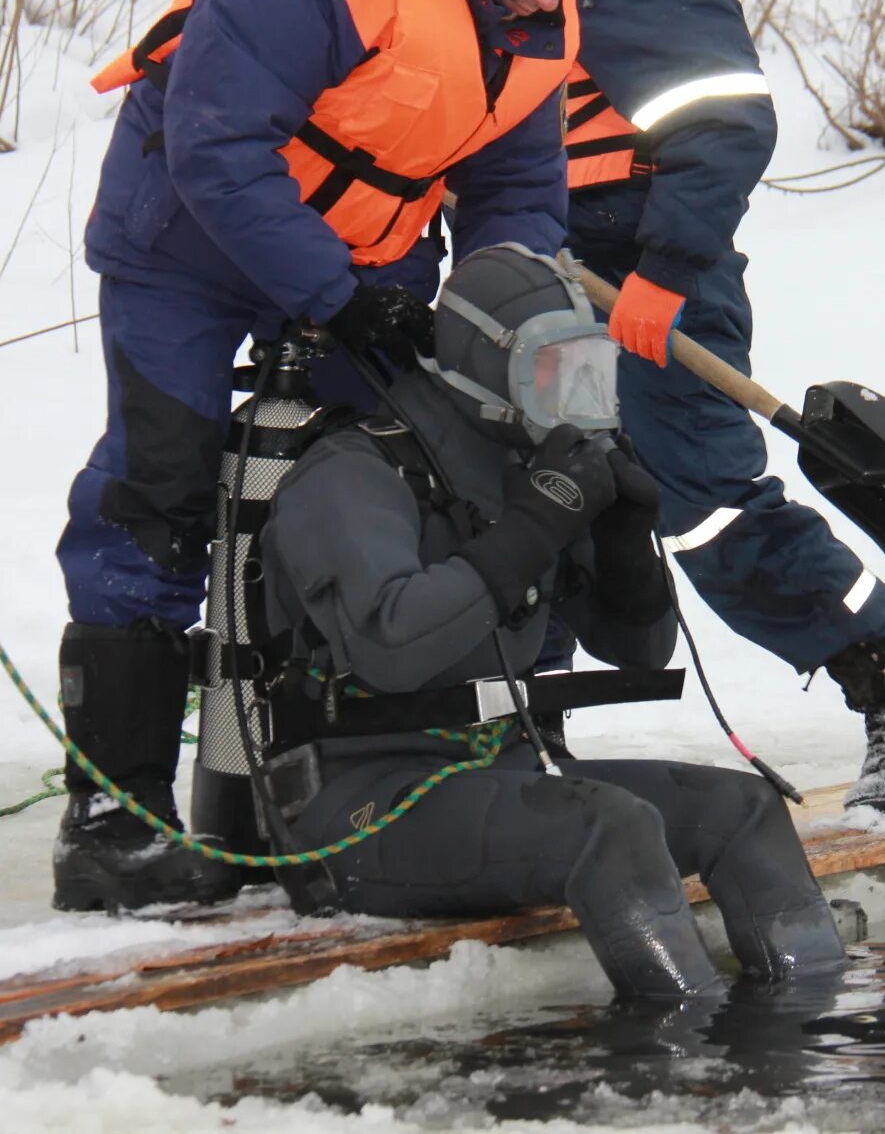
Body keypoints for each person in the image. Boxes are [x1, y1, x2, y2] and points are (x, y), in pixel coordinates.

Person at [52, 0, 641, 913]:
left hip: (366, 263)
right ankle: (110, 824)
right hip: (188, 236)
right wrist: (331, 297)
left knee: (392, 481)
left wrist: (503, 325)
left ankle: (336, 792)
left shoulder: (533, 16)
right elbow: (216, 147)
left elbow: (515, 189)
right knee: (158, 491)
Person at [255, 245, 848, 997]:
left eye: (591, 370)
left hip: (492, 778)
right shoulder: (349, 472)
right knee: (611, 826)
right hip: (359, 811)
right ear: (484, 365)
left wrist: (626, 544)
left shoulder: (524, 468)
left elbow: (637, 649)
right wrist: (536, 524)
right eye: (553, 370)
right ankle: (685, 1050)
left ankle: (812, 1024)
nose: (576, 394)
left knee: (742, 809)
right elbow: (392, 645)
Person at [547, 0, 885, 810]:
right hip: (552, 261)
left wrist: (660, 271)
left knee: (701, 504)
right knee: (548, 497)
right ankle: (533, 735)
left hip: (640, 252)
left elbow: (722, 120)